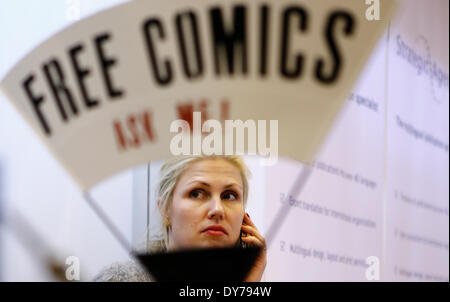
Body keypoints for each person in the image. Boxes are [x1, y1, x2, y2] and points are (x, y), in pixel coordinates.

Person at [93, 155, 266, 282]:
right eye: (197, 193)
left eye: (229, 196)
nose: (217, 209)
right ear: (166, 208)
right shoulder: (123, 279)